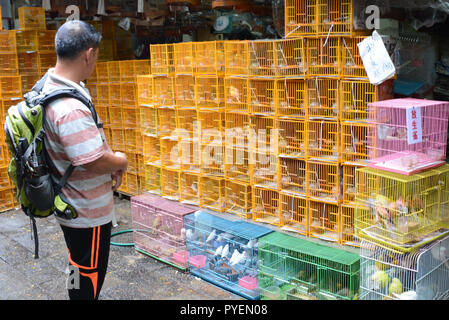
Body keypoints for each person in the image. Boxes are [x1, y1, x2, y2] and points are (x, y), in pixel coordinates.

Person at [41, 20, 128, 300]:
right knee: (88, 273)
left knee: (78, 265)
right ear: (88, 54)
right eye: (97, 56)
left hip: (70, 203)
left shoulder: (50, 86)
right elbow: (92, 161)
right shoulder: (69, 109)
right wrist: (119, 161)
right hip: (85, 211)